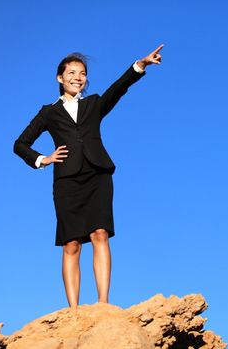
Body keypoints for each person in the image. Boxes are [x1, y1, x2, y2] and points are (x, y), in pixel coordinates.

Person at [13, 44, 163, 307]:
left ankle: (103, 303)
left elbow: (118, 89)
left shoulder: (94, 104)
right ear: (60, 78)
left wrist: (141, 64)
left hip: (98, 175)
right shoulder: (48, 112)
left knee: (100, 234)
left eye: (82, 73)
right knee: (71, 244)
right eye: (71, 73)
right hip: (67, 181)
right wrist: (43, 159)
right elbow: (20, 144)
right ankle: (73, 311)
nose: (77, 77)